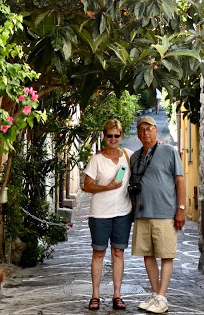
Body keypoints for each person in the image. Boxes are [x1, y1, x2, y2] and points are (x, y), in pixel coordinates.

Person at [129, 116, 186, 314]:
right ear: (138, 134)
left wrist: (181, 209)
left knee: (166, 254)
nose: (145, 132)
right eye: (142, 129)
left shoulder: (169, 151)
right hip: (142, 212)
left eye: (149, 128)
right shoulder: (135, 157)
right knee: (148, 254)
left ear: (156, 131)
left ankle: (162, 297)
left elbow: (180, 181)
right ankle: (155, 295)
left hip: (165, 212)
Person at [83, 119, 133, 311]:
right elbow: (87, 186)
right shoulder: (97, 159)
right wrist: (107, 187)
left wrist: (158, 145)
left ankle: (117, 295)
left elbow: (147, 157)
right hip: (100, 213)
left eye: (116, 135)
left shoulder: (128, 156)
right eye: (110, 135)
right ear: (104, 136)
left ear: (121, 136)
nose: (113, 139)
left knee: (118, 252)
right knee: (98, 253)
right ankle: (95, 295)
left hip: (123, 212)